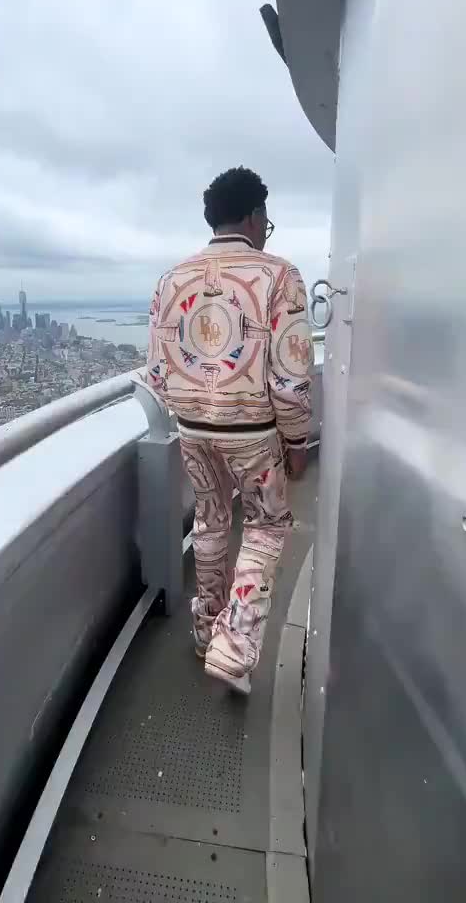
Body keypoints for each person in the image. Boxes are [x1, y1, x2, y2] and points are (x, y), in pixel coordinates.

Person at [147, 166, 312, 694]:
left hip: (193, 429)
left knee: (212, 521)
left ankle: (204, 628)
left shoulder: (171, 279)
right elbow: (290, 379)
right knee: (265, 527)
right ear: (254, 215)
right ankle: (235, 644)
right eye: (267, 219)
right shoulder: (279, 276)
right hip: (255, 432)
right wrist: (297, 442)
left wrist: (192, 409)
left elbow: (156, 372)